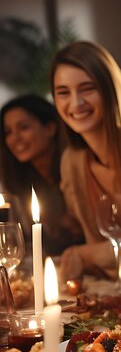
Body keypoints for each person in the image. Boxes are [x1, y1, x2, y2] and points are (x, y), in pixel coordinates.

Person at [50, 41, 121, 284]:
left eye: (87, 89)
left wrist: (86, 254)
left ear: (110, 91)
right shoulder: (72, 162)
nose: (76, 103)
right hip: (112, 292)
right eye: (63, 92)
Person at [0, 94, 83, 255]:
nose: (14, 138)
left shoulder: (75, 168)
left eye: (23, 128)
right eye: (8, 132)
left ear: (50, 128)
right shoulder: (21, 181)